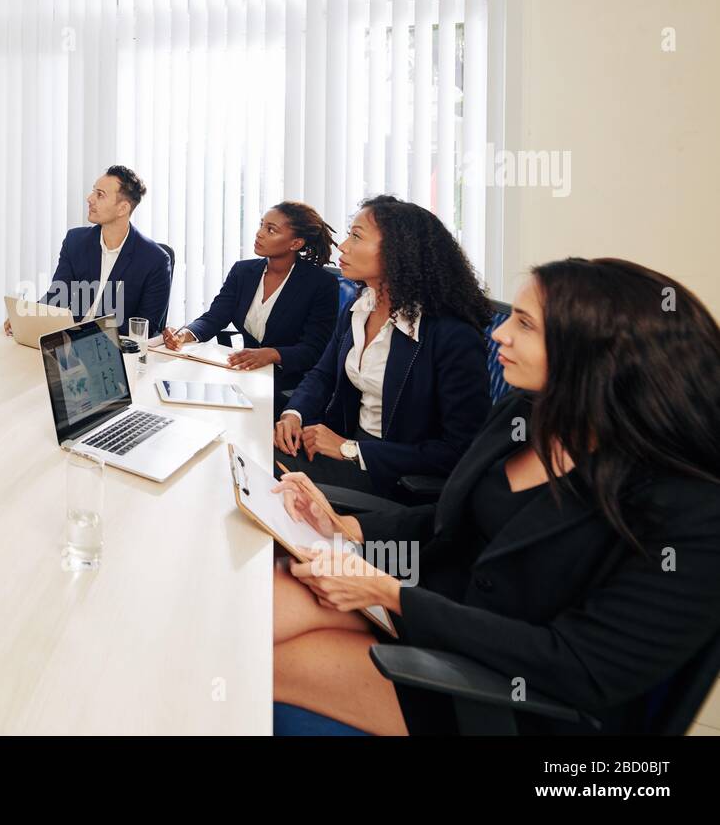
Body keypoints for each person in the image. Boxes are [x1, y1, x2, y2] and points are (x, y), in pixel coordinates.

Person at [271, 258, 720, 735]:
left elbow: (579, 666)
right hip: (436, 618)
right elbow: (454, 525)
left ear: (598, 353)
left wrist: (390, 594)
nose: (499, 334)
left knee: (258, 664)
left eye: (525, 324)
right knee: (258, 607)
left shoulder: (690, 512)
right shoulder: (523, 415)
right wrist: (345, 526)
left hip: (510, 694)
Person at [274, 195, 491, 499]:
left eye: (357, 236)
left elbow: (459, 451)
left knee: (261, 472)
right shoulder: (360, 306)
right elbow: (322, 375)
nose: (343, 246)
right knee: (249, 451)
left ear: (398, 252)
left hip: (393, 478)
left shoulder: (451, 336)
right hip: (343, 448)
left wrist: (351, 449)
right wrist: (293, 414)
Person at [160, 202, 338, 420]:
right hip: (246, 374)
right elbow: (214, 317)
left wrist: (273, 354)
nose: (259, 234)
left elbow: (315, 350)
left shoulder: (321, 284)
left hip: (289, 383)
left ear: (296, 243)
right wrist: (185, 334)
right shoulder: (243, 271)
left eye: (271, 230)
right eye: (262, 225)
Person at [5, 165, 172, 337]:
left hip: (116, 350)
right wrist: (28, 318)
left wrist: (87, 334)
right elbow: (57, 297)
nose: (90, 198)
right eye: (93, 192)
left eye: (100, 195)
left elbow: (146, 327)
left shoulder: (155, 259)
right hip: (71, 344)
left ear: (123, 208)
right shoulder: (75, 241)